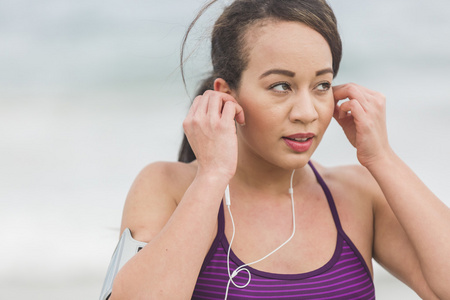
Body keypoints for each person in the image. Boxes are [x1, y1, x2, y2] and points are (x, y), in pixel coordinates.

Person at [106, 0, 450, 299]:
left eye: (322, 85)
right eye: (281, 86)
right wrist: (212, 177)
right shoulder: (167, 186)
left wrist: (383, 159)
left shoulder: (360, 194)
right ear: (227, 94)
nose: (307, 112)